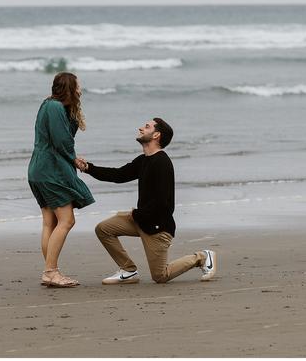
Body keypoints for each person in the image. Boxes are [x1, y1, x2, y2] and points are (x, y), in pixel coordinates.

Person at [77, 118, 217, 284]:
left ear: (156, 135)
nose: (141, 128)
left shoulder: (162, 163)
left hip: (157, 228)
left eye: (147, 126)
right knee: (103, 229)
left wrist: (136, 213)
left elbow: (164, 204)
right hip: (141, 219)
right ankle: (128, 270)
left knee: (160, 276)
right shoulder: (143, 160)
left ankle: (202, 257)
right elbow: (118, 175)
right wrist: (87, 167)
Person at [27, 72, 95, 288]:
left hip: (40, 168)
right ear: (69, 87)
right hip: (51, 170)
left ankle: (50, 271)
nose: (80, 89)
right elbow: (62, 141)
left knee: (50, 222)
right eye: (78, 86)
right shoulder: (55, 107)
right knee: (67, 220)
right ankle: (50, 272)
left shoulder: (50, 105)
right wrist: (74, 159)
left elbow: (61, 137)